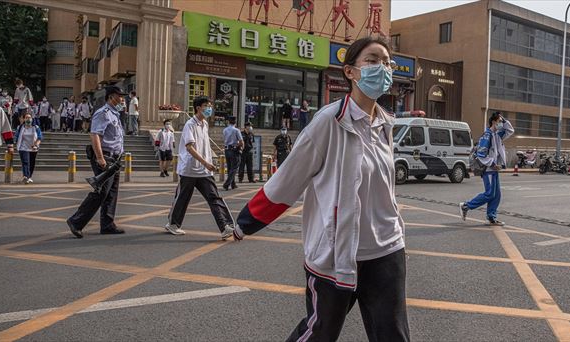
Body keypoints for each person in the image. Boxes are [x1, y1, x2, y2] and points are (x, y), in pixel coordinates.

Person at [232, 36, 410, 342]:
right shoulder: (329, 121)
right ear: (350, 72)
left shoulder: (385, 125)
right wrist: (245, 222)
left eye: (387, 62)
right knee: (319, 333)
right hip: (335, 253)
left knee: (393, 335)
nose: (382, 68)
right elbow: (288, 178)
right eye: (372, 61)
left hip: (386, 251)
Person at [164, 96, 235, 239]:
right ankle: (172, 224)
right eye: (206, 106)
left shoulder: (205, 124)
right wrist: (205, 163)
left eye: (210, 106)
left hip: (204, 171)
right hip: (190, 169)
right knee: (183, 198)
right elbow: (189, 147)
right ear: (198, 108)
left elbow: (205, 146)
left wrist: (210, 162)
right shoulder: (190, 124)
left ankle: (226, 226)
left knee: (214, 197)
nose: (209, 108)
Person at [66, 86, 127, 238]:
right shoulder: (103, 113)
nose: (122, 100)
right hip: (105, 156)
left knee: (112, 192)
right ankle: (76, 221)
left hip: (115, 158)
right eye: (120, 96)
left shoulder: (115, 114)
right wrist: (100, 158)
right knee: (102, 191)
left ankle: (107, 224)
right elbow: (95, 135)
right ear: (112, 97)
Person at [460, 112, 514, 226]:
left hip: (494, 169)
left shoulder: (497, 135)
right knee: (490, 193)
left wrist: (504, 120)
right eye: (499, 121)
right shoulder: (487, 135)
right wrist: (493, 164)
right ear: (494, 122)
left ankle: (491, 217)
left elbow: (510, 131)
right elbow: (481, 154)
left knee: (496, 195)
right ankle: (466, 206)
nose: (501, 124)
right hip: (488, 169)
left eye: (501, 122)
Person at [15, 112, 42, 184]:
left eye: (29, 117)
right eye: (26, 117)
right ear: (24, 119)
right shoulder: (20, 127)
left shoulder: (36, 127)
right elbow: (16, 137)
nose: (28, 119)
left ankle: (29, 176)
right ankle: (25, 176)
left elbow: (39, 137)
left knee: (32, 163)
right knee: (25, 162)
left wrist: (36, 144)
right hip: (23, 148)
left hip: (33, 148)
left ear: (32, 119)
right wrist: (15, 143)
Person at [222, 117, 244, 190]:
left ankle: (233, 184)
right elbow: (241, 141)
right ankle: (227, 184)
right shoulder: (236, 130)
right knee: (234, 168)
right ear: (235, 122)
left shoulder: (225, 130)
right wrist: (241, 147)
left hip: (227, 149)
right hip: (234, 150)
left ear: (228, 122)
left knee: (229, 168)